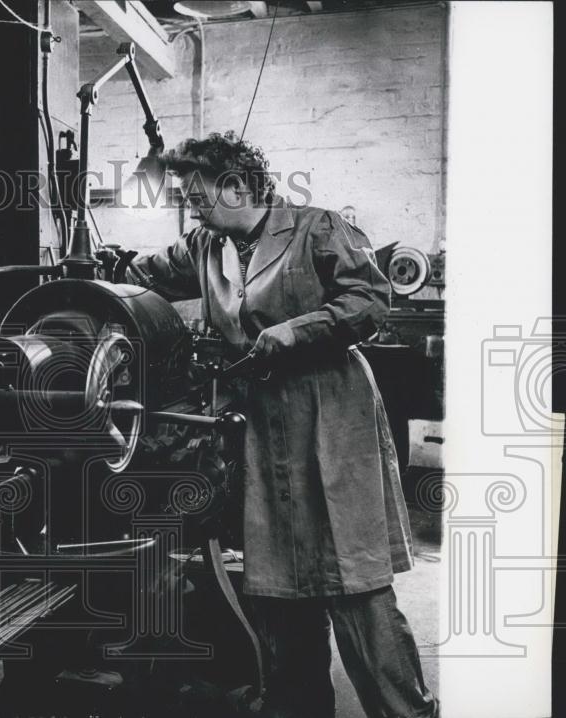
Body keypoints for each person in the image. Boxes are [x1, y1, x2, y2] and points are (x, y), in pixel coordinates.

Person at [127, 132, 438, 718]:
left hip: (327, 412)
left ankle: (404, 711)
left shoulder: (316, 227)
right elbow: (141, 274)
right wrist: (88, 263)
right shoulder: (204, 245)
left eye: (197, 193)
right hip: (258, 421)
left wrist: (297, 330)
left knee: (354, 581)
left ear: (237, 184)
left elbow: (371, 301)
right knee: (276, 584)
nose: (189, 205)